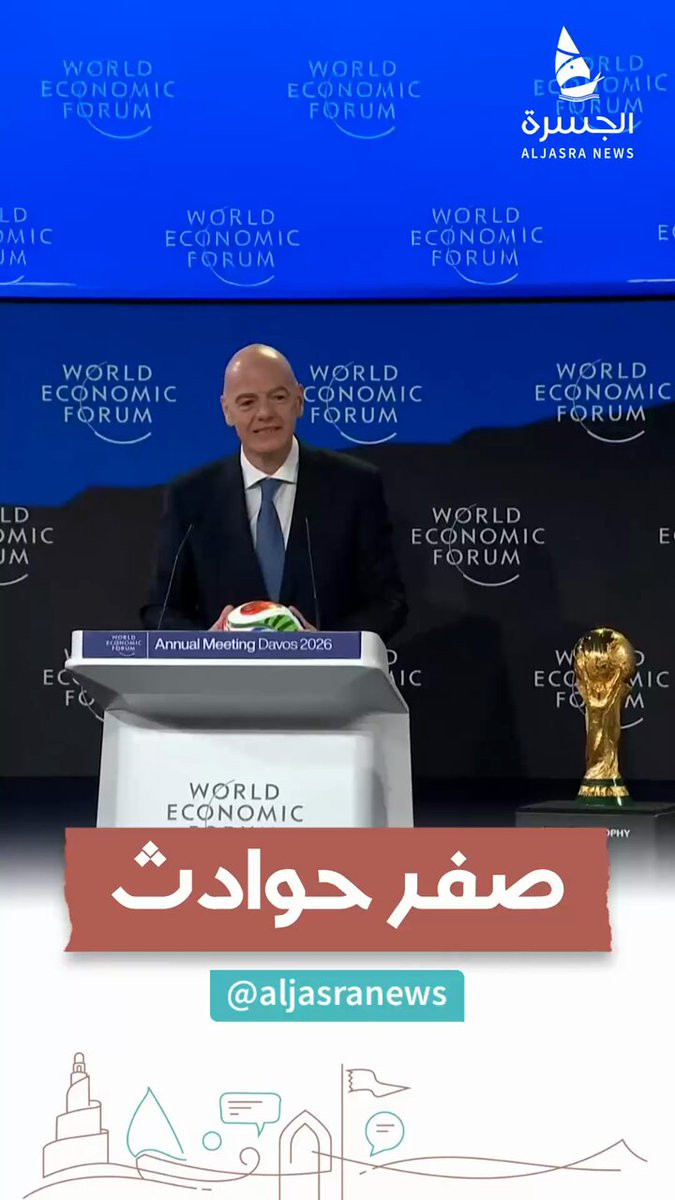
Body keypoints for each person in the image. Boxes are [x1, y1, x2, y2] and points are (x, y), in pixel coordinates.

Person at [140, 343, 407, 640]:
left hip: (326, 671)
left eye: (278, 397)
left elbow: (388, 603)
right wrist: (207, 643)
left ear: (299, 401)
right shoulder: (190, 496)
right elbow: (160, 610)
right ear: (227, 411)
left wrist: (329, 645)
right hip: (224, 670)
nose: (265, 413)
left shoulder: (354, 485)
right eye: (247, 402)